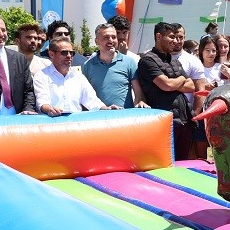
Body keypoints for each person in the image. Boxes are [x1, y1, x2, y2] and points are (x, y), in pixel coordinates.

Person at [137, 22, 198, 160]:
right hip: (163, 122)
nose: (175, 41)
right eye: (171, 37)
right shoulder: (148, 60)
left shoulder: (174, 61)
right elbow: (166, 85)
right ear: (159, 36)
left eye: (177, 37)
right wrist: (181, 78)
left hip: (184, 120)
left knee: (183, 163)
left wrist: (173, 82)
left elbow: (191, 86)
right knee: (165, 163)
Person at [33, 38, 117, 116]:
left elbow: (91, 100)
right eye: (64, 53)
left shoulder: (79, 76)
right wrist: (49, 109)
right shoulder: (41, 76)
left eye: (71, 53)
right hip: (51, 124)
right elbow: (42, 100)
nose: (69, 56)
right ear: (51, 54)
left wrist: (106, 108)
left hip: (75, 125)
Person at [82, 23, 146, 109]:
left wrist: (140, 102)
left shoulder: (129, 62)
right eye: (106, 37)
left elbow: (138, 93)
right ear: (96, 41)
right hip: (99, 118)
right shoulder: (88, 65)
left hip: (124, 118)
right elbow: (85, 96)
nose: (111, 40)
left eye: (114, 37)